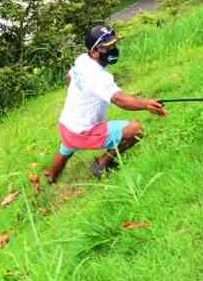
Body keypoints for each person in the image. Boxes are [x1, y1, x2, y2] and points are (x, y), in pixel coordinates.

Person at [44, 25, 168, 183]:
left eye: (114, 44)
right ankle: (102, 163)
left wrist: (82, 89)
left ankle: (51, 177)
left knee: (66, 148)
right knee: (136, 130)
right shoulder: (99, 76)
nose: (113, 49)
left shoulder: (82, 59)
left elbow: (69, 77)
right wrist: (146, 104)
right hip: (82, 131)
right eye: (107, 47)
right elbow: (118, 99)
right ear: (94, 51)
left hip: (67, 125)